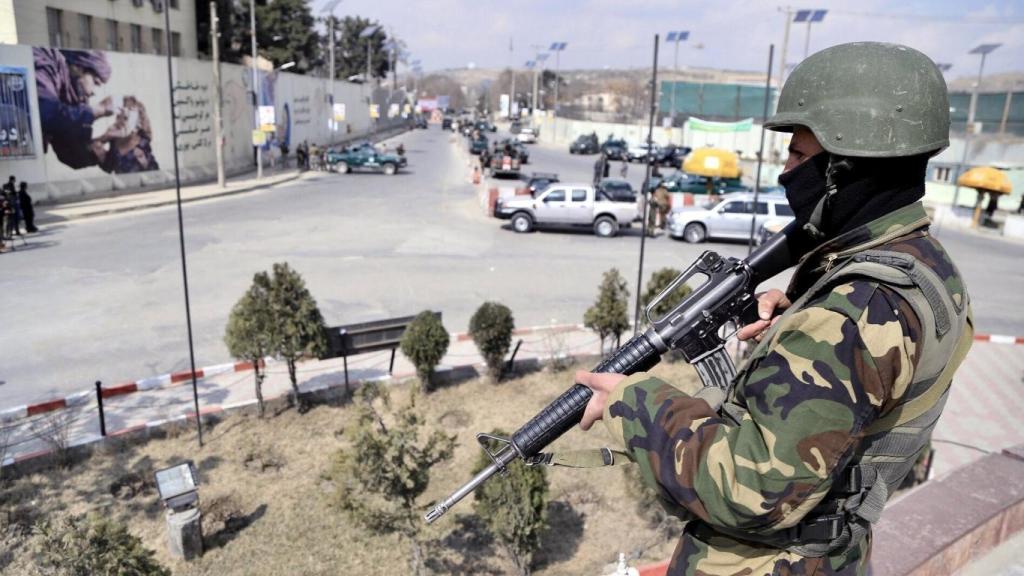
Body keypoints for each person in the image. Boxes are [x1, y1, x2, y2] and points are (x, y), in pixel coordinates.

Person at [576, 42, 973, 576]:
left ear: (845, 168)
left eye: (799, 156)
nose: (787, 171)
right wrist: (798, 325)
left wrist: (632, 401)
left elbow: (750, 489)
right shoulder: (922, 263)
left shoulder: (851, 311)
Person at [33, 48, 113, 169]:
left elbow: (67, 152)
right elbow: (44, 113)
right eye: (95, 82)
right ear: (78, 68)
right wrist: (95, 111)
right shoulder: (48, 62)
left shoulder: (73, 93)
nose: (93, 92)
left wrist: (103, 140)